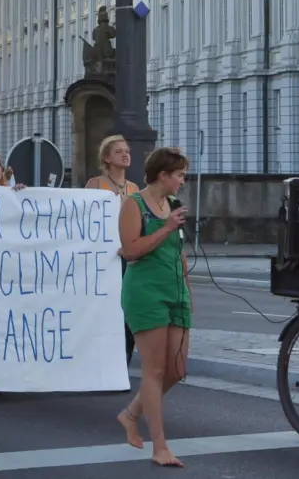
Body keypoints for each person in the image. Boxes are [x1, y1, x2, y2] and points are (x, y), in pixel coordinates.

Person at [116, 147, 192, 468]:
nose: (183, 181)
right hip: (145, 292)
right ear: (163, 175)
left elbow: (179, 251)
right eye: (179, 175)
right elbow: (130, 250)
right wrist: (165, 228)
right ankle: (159, 446)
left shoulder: (173, 205)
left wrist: (187, 289)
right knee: (155, 369)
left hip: (175, 291)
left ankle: (131, 413)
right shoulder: (134, 204)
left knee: (177, 370)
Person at [87, 135, 142, 363]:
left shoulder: (134, 188)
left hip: (128, 255)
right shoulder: (96, 184)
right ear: (106, 157)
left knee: (129, 308)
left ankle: (125, 357)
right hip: (105, 257)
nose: (125, 154)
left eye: (127, 150)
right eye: (118, 151)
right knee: (107, 309)